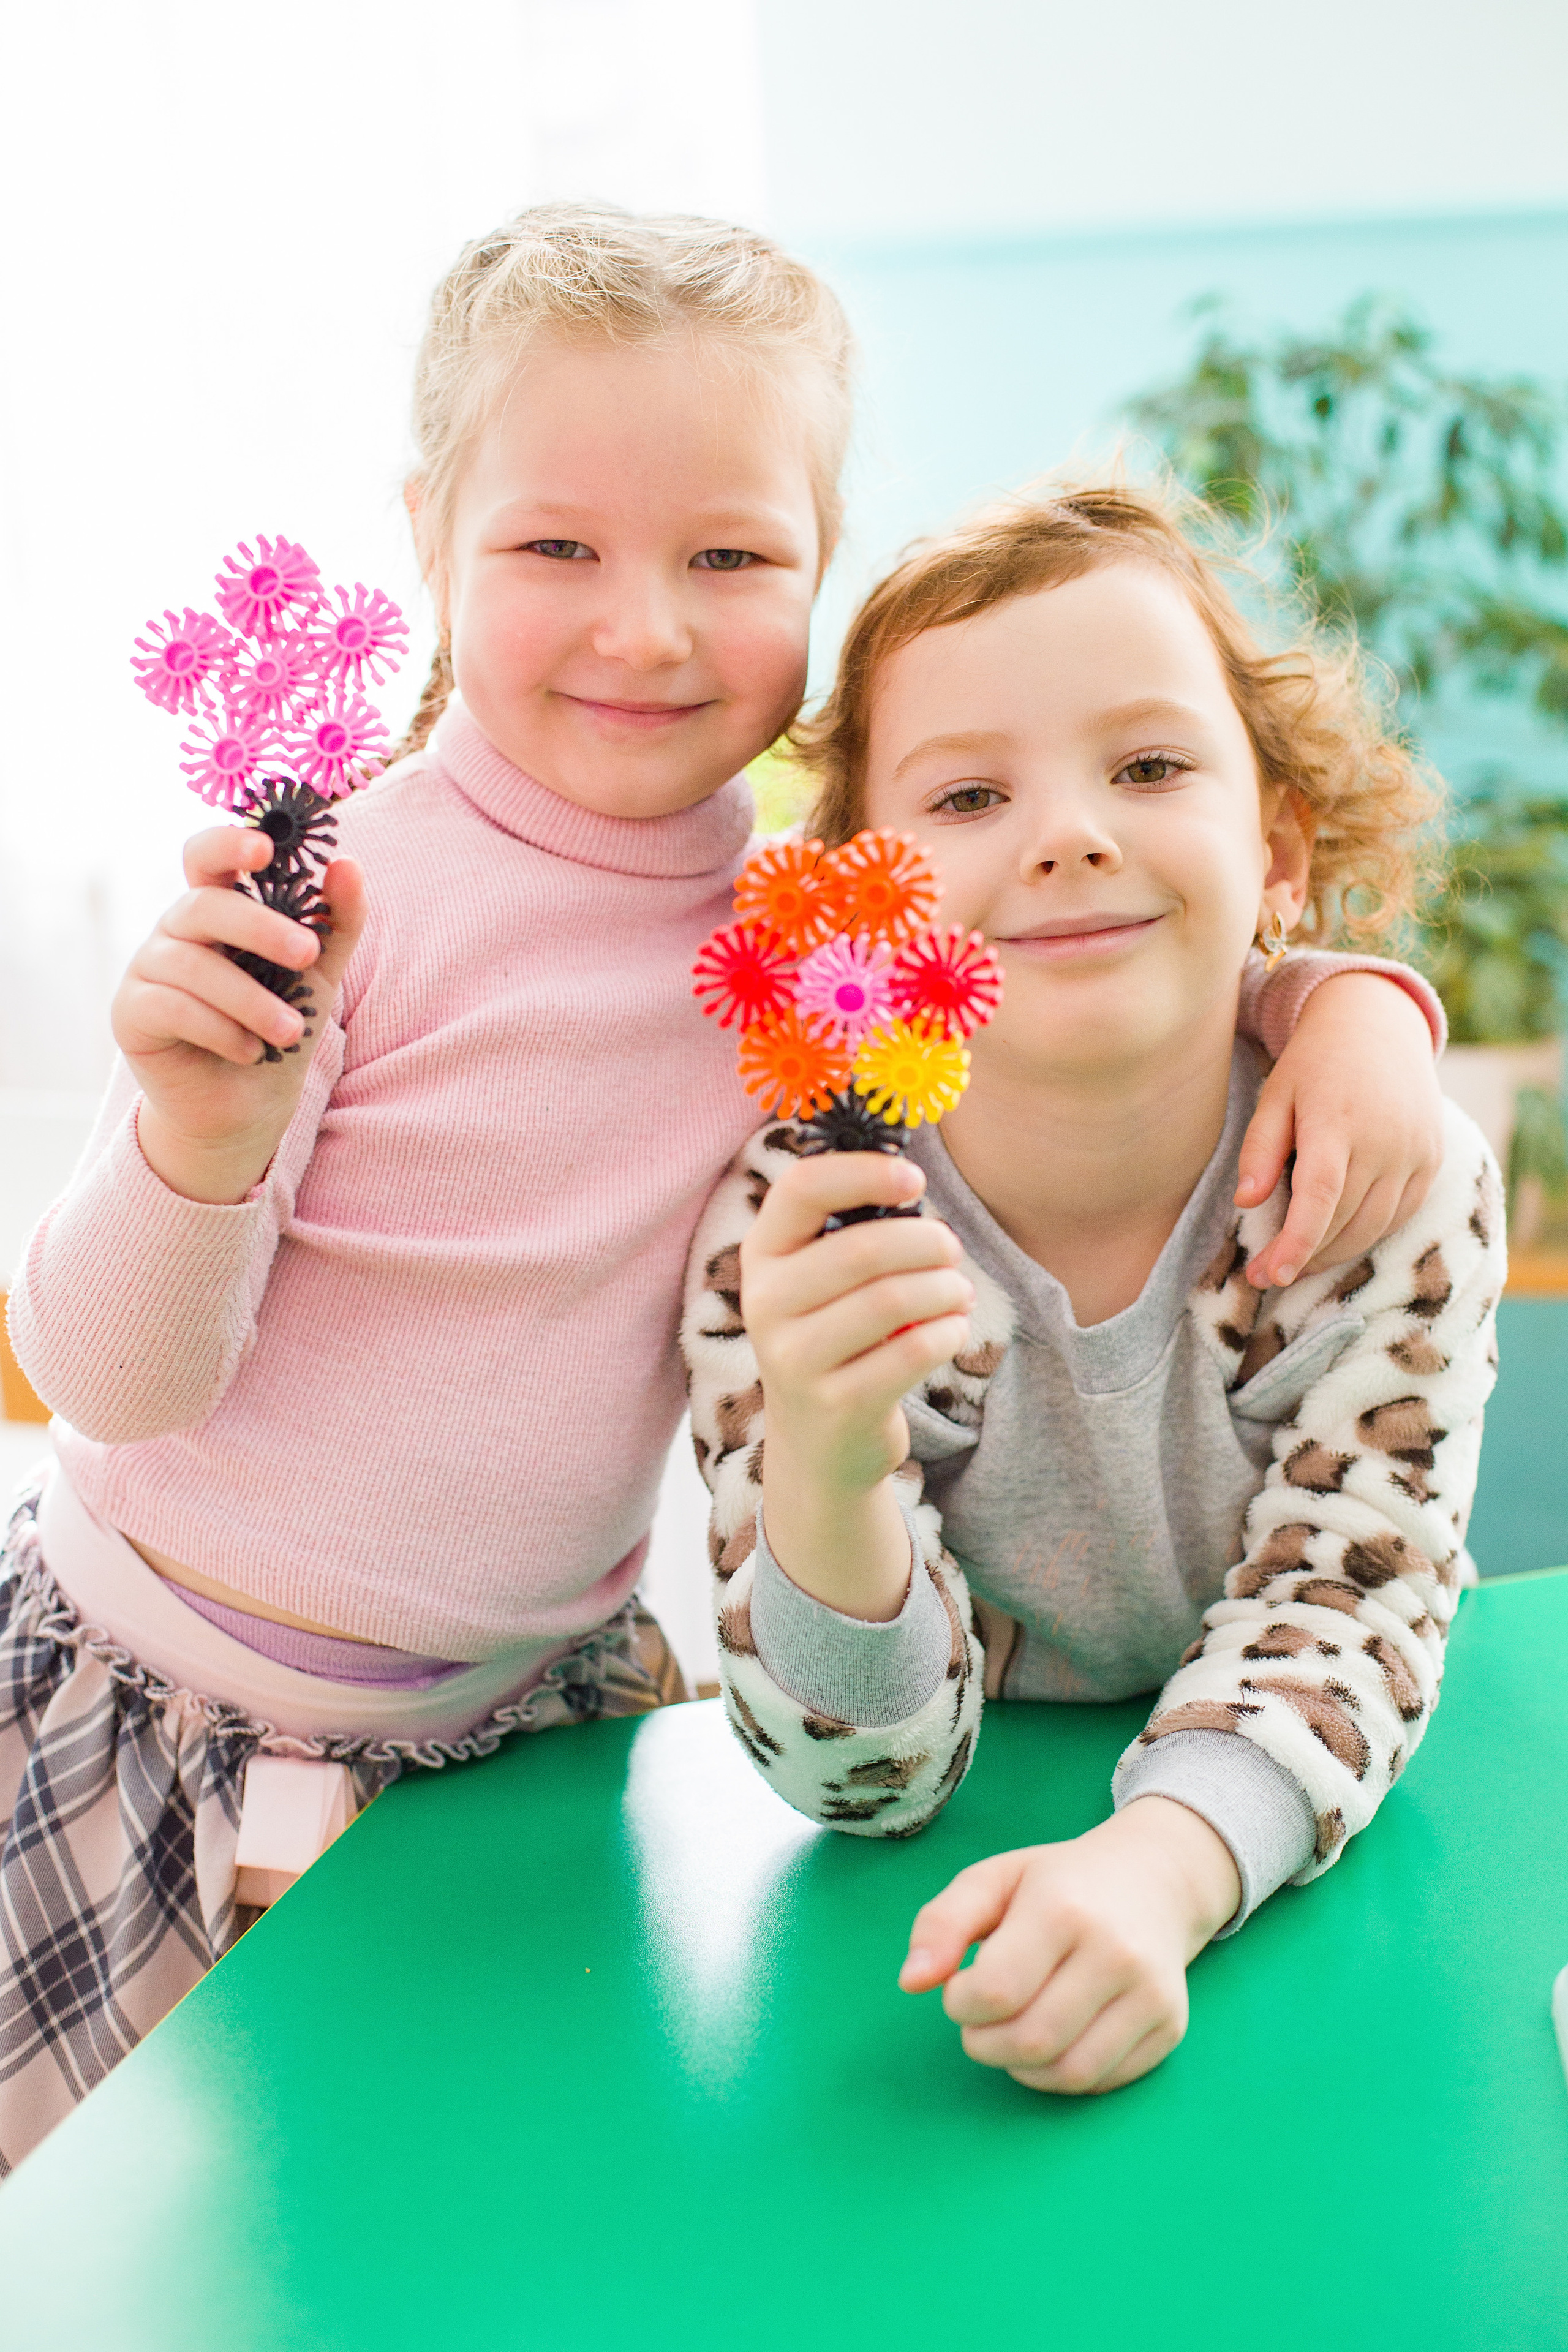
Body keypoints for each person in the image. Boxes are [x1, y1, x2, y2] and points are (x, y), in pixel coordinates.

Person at [4, 202, 1444, 2167]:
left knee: (449, 2223)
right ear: (429, 539)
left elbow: (1098, 943)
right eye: (553, 548)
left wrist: (1357, 1004)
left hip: (526, 1742)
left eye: (733, 557)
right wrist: (198, 1141)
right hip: (135, 1713)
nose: (647, 627)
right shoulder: (329, 891)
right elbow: (110, 1380)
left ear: (820, 567)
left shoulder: (811, 930)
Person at [682, 481, 1502, 2098]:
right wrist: (829, 1467)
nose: (1070, 831)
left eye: (1147, 766)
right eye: (973, 792)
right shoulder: (797, 1220)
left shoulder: (1392, 1179)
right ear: (864, 898)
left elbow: (1356, 1600)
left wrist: (1164, 1867)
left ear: (1279, 854)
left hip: (1286, 1852)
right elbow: (860, 1796)